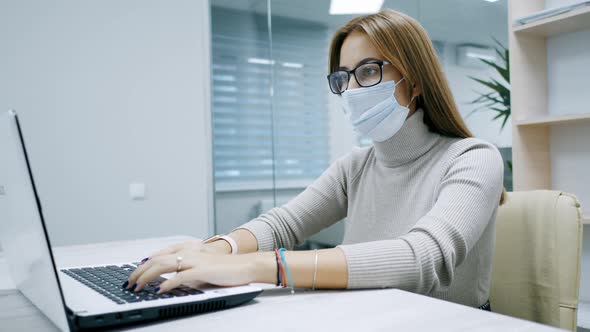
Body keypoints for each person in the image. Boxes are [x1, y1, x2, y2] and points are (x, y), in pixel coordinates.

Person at [125, 9, 504, 311]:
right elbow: (284, 223)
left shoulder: (473, 158)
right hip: (370, 316)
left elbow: (422, 258)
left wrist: (257, 266)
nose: (352, 89)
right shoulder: (355, 166)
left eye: (369, 71)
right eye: (343, 77)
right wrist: (214, 250)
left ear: (416, 80)